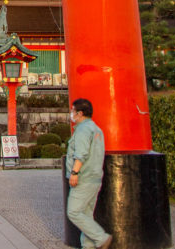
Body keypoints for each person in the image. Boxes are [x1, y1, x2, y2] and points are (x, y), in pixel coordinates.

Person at [65, 98, 112, 249]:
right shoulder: (96, 129)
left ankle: (101, 237)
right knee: (86, 215)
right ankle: (88, 246)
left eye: (73, 110)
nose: (71, 114)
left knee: (73, 211)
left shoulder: (83, 130)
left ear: (80, 113)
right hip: (95, 178)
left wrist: (74, 172)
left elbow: (81, 154)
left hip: (83, 178)